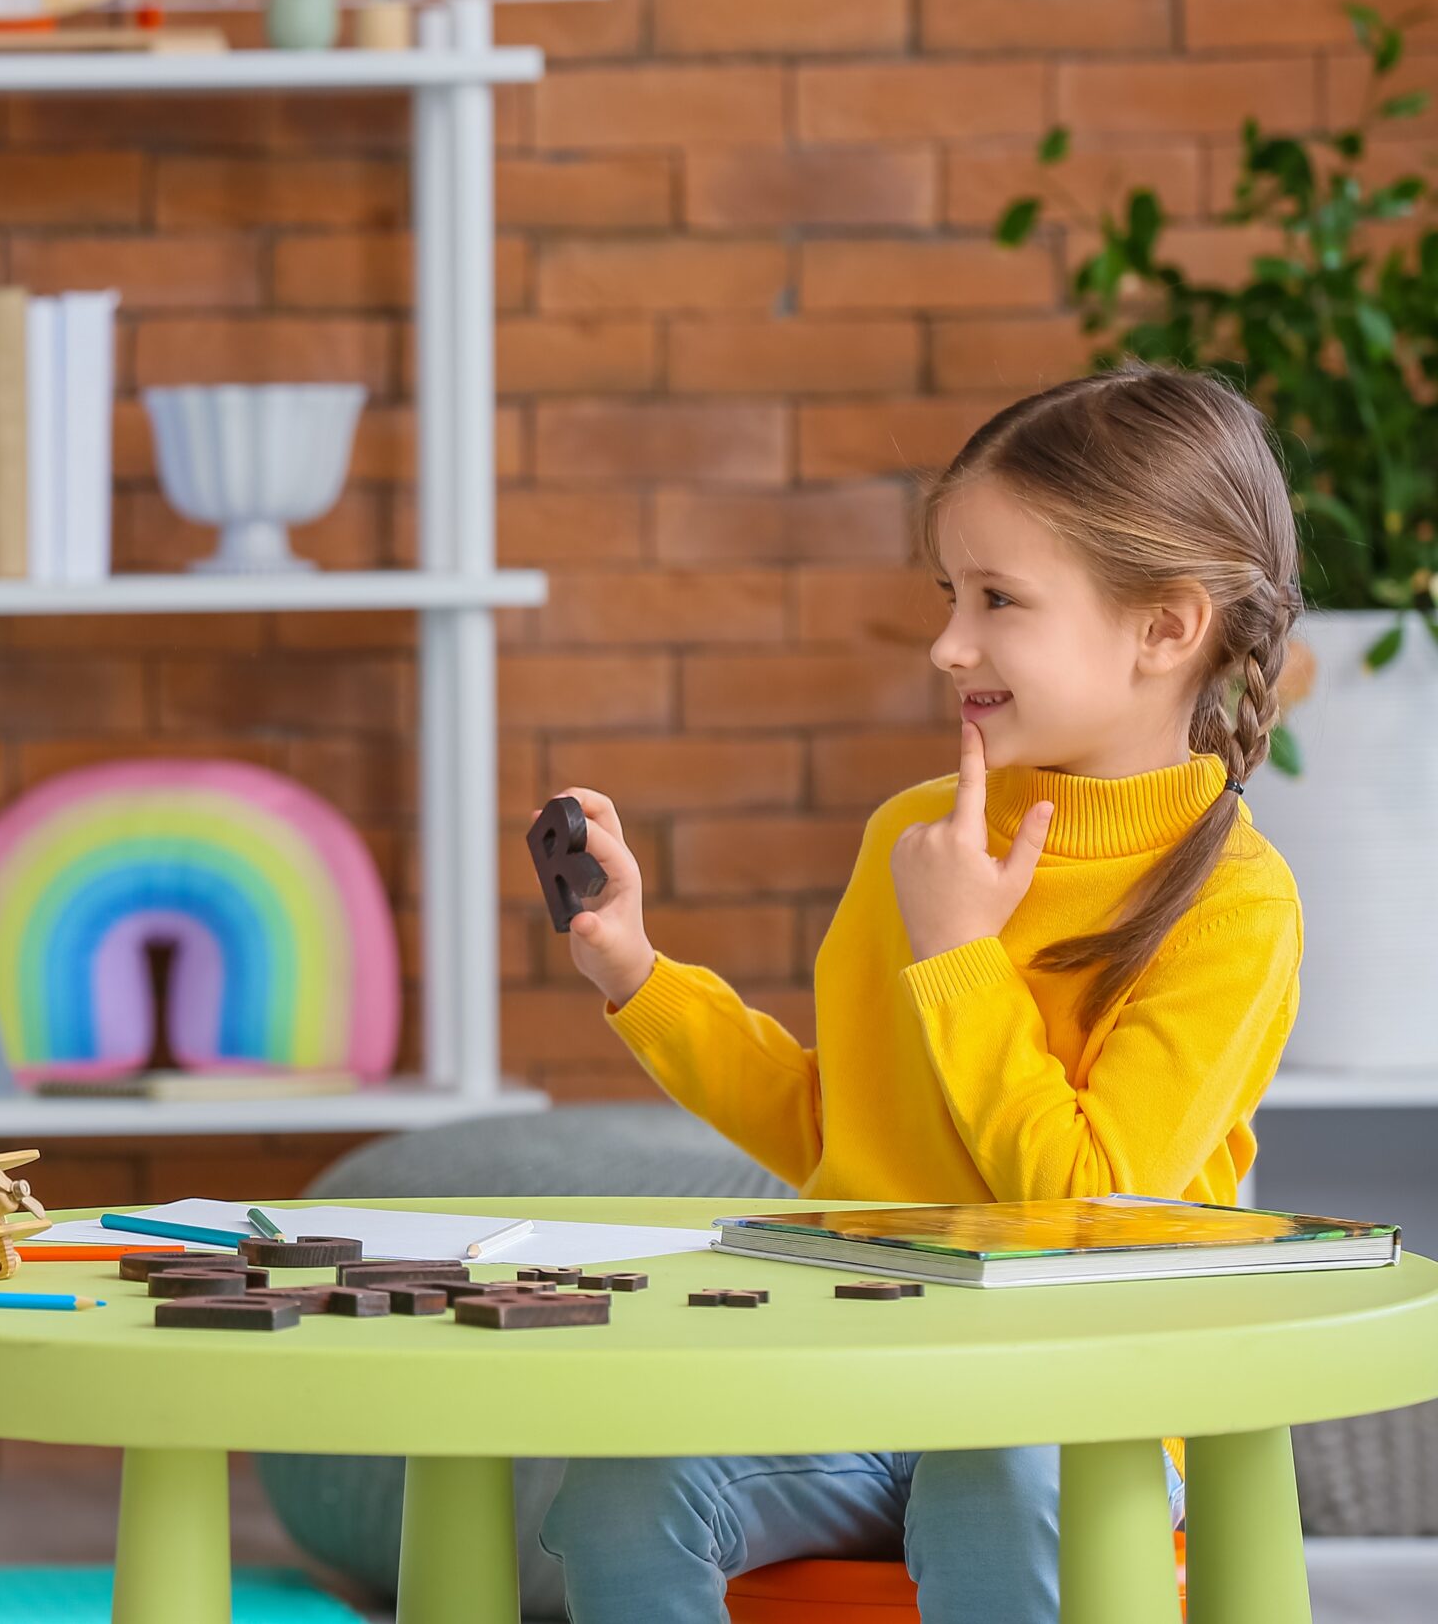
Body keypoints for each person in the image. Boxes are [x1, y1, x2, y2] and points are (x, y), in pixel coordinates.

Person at [539, 364, 1306, 1623]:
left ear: (1165, 628)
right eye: (949, 593)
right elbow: (832, 1132)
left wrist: (962, 958)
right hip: (856, 1376)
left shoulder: (1233, 901)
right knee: (625, 1488)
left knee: (993, 1477)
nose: (948, 642)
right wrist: (632, 966)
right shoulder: (916, 837)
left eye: (999, 599)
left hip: (1076, 1409)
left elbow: (1078, 1209)